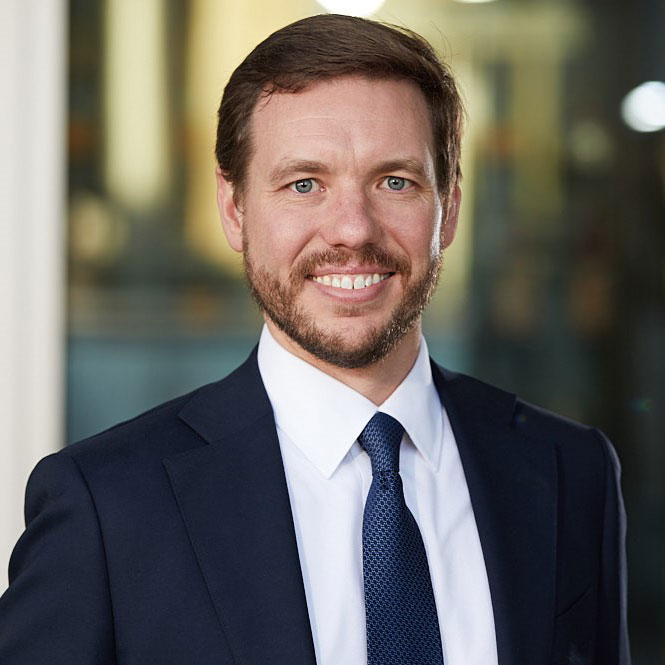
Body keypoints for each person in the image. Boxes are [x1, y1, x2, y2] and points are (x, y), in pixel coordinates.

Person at [0, 13, 630, 665]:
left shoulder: (570, 472)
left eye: (395, 181)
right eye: (304, 184)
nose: (352, 230)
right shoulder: (108, 507)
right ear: (234, 209)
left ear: (449, 208)